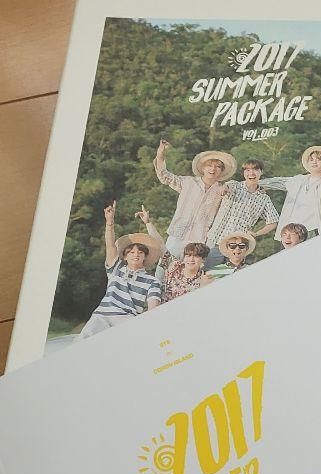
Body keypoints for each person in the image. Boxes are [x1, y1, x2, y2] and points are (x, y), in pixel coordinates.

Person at [80, 202, 163, 338]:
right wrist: (110, 222)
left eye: (140, 252)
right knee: (83, 339)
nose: (136, 255)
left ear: (145, 256)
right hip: (102, 315)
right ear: (124, 256)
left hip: (127, 319)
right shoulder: (116, 268)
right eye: (131, 252)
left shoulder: (152, 281)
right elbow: (110, 245)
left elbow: (153, 308)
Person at [153, 139, 232, 257]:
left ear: (221, 171)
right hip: (177, 234)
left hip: (199, 239)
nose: (213, 169)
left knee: (192, 267)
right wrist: (160, 153)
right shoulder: (188, 182)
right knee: (165, 266)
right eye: (209, 165)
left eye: (218, 166)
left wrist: (227, 189)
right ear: (203, 168)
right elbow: (165, 176)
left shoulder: (223, 191)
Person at [204, 159, 279, 267]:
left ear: (261, 172)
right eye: (247, 170)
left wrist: (256, 233)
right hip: (215, 239)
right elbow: (225, 187)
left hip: (238, 247)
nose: (251, 173)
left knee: (233, 274)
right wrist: (224, 189)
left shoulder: (264, 198)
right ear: (244, 173)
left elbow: (273, 222)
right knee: (208, 272)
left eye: (255, 170)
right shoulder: (235, 185)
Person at [139, 208, 211, 304]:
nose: (191, 259)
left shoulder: (203, 280)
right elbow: (160, 245)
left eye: (196, 256)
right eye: (188, 255)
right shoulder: (174, 265)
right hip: (161, 308)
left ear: (203, 259)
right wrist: (148, 223)